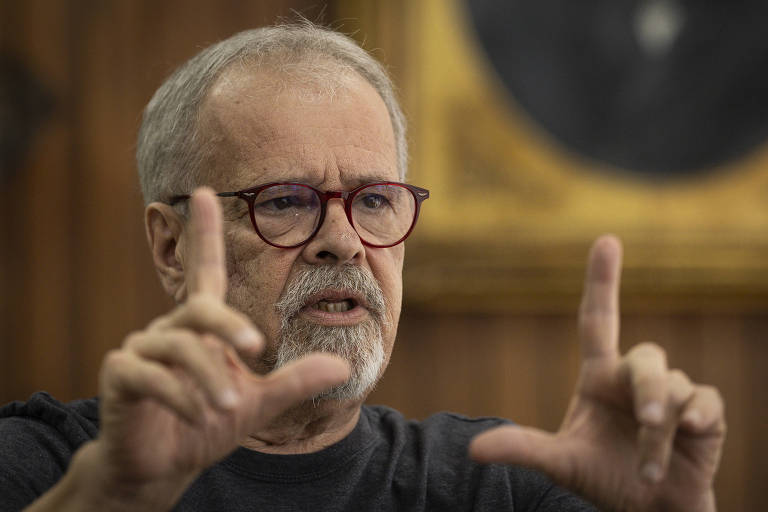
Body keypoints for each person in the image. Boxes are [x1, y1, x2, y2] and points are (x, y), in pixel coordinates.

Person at [0, 21, 725, 511]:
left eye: (375, 199)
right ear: (171, 246)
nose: (344, 241)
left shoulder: (496, 486)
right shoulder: (45, 466)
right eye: (285, 200)